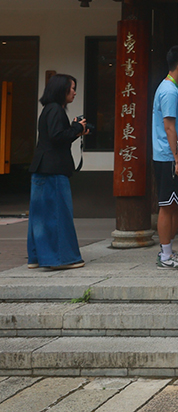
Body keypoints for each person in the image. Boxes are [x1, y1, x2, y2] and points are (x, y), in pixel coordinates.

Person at [27, 74, 88, 270]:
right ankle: (60, 259)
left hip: (42, 169)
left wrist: (75, 130)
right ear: (62, 89)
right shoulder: (56, 109)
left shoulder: (48, 109)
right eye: (72, 88)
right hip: (53, 171)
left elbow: (56, 137)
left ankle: (36, 257)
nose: (74, 92)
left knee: (39, 217)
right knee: (57, 215)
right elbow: (57, 137)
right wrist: (76, 128)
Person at [152, 45, 178, 270]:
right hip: (168, 156)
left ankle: (166, 248)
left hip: (170, 155)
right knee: (167, 205)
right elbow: (169, 127)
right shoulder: (169, 91)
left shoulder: (171, 88)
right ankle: (166, 253)